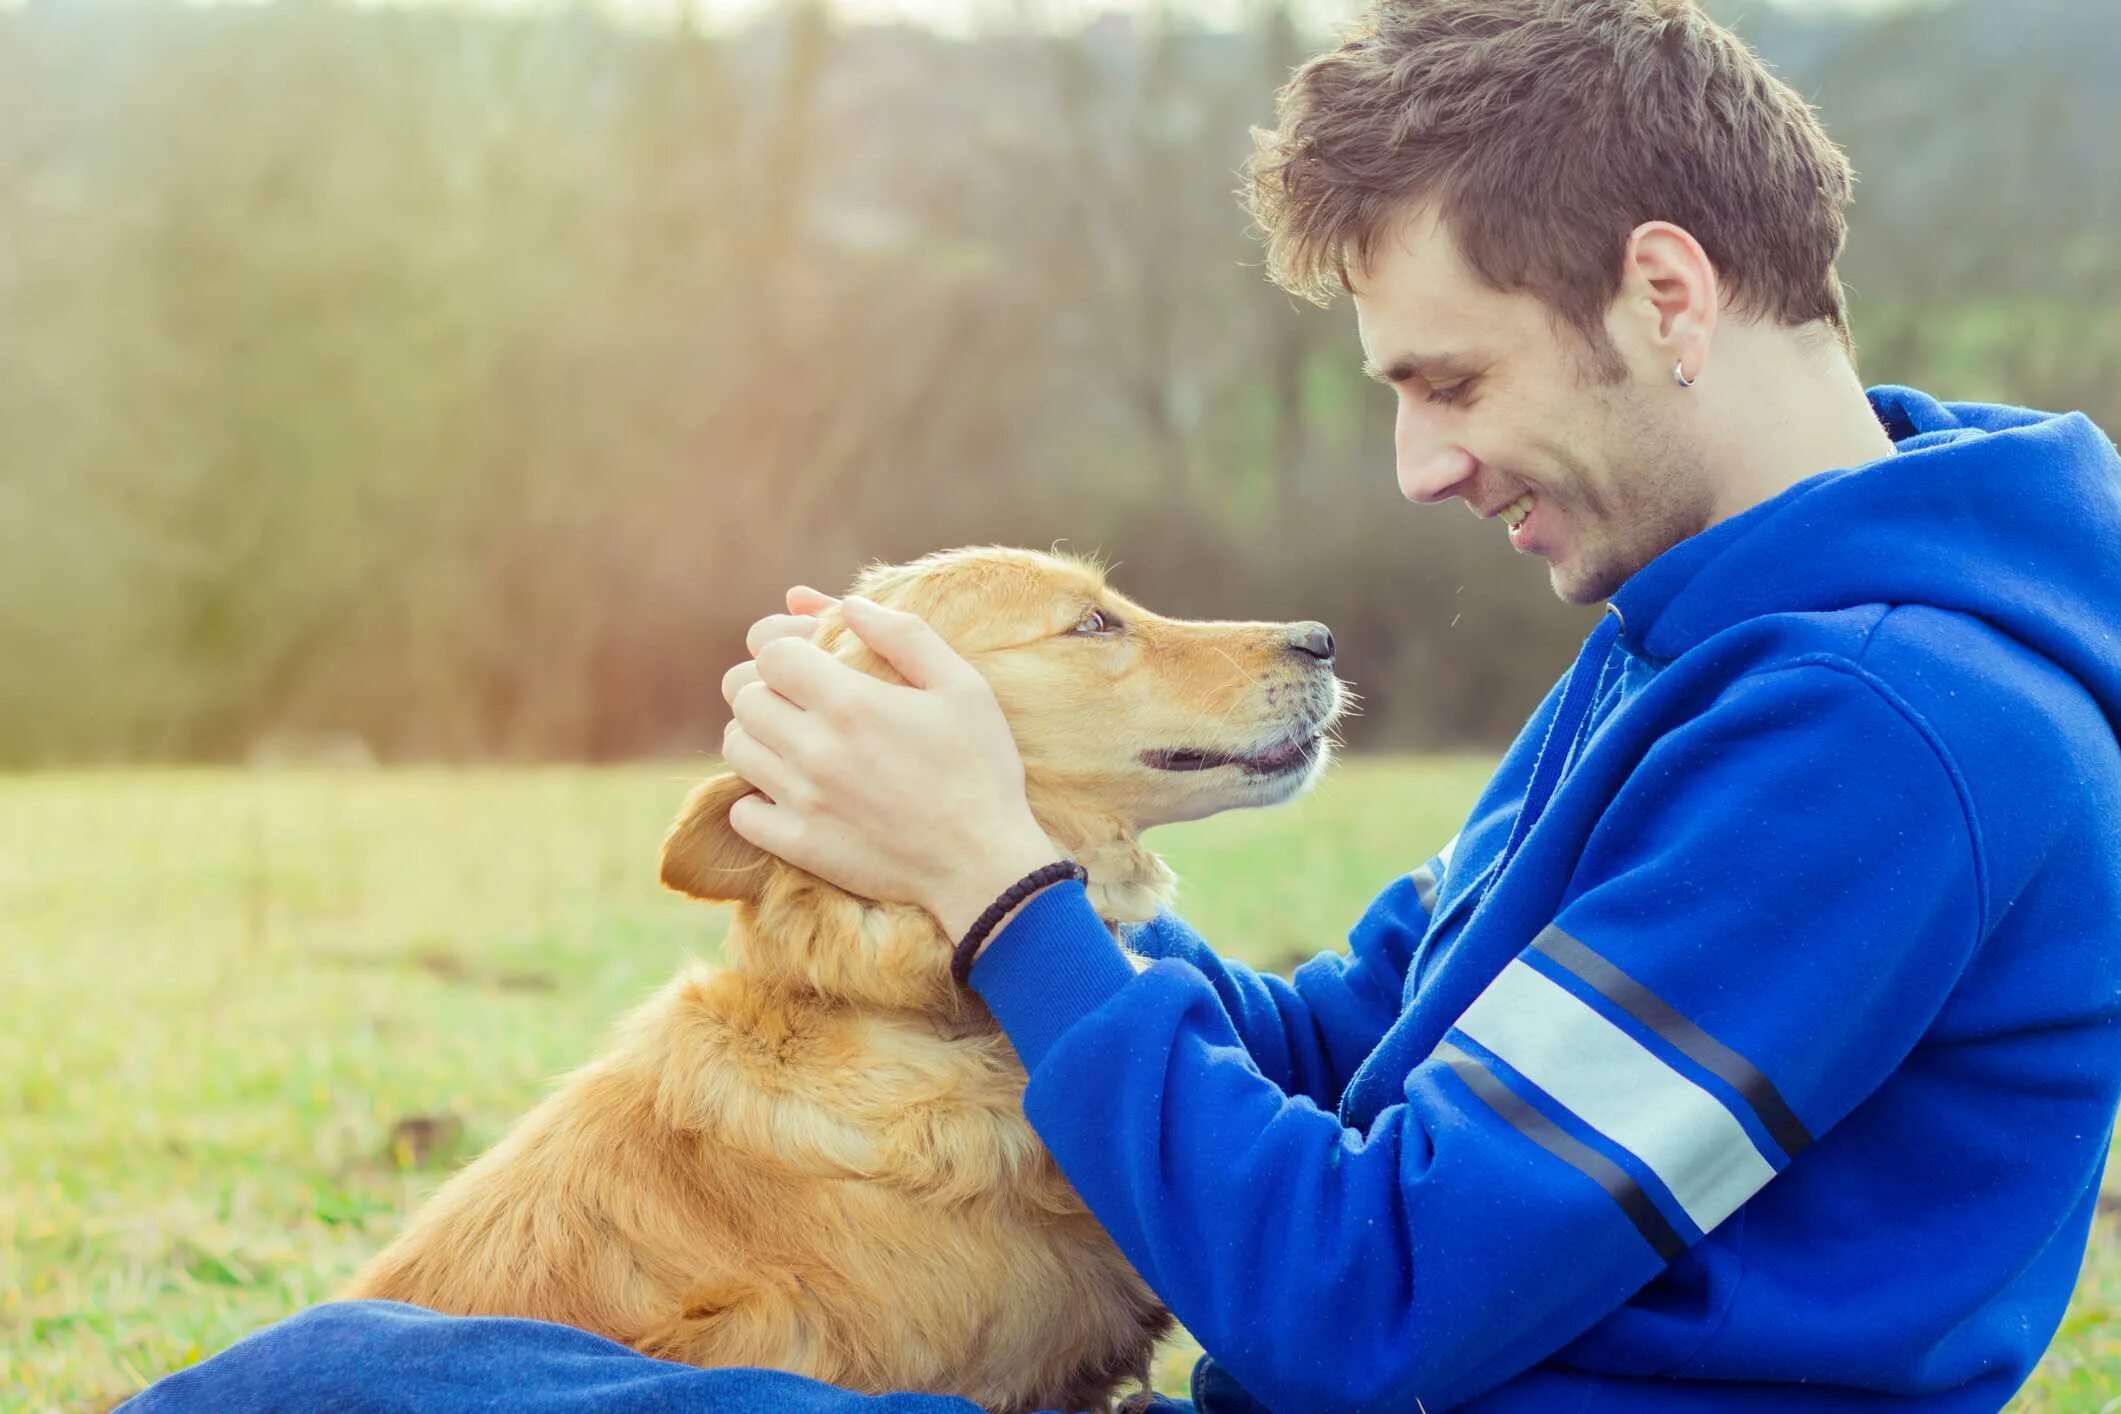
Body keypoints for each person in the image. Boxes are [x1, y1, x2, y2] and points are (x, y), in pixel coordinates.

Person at [126, 0, 2121, 1410]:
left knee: (322, 1391)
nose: (1423, 470)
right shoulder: (1720, 642)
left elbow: (1373, 1300)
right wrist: (926, 895)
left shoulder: (1887, 737)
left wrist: (1001, 891)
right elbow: (1348, 1036)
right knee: (379, 1366)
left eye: (1446, 380)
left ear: (1665, 297)